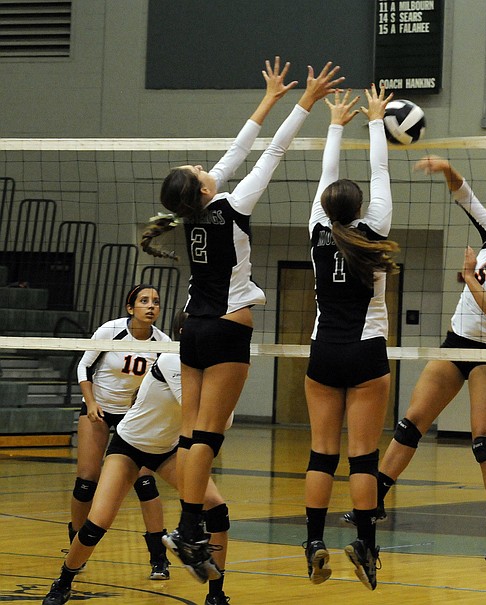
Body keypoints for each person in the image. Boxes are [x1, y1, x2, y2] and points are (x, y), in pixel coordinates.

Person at [142, 57, 343, 581]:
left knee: (191, 433)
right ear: (204, 188)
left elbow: (235, 152)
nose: (205, 166)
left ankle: (188, 528)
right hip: (229, 325)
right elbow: (270, 153)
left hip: (192, 328)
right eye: (199, 169)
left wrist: (271, 98)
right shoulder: (231, 204)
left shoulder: (191, 214)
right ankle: (189, 528)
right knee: (207, 434)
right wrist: (305, 101)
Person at [352, 155, 486, 561]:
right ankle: (377, 498)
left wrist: (470, 275)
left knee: (484, 443)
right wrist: (447, 168)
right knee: (409, 424)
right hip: (456, 343)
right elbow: (465, 197)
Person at [42, 313, 234, 605]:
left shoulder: (212, 370)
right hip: (130, 445)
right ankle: (64, 582)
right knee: (98, 522)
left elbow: (224, 421)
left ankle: (216, 594)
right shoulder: (173, 359)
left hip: (168, 450)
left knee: (216, 508)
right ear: (188, 332)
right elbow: (205, 417)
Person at [302, 85, 396, 591]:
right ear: (360, 208)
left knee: (322, 454)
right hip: (366, 352)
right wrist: (375, 119)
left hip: (324, 351)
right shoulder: (374, 229)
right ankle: (364, 544)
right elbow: (380, 173)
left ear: (326, 206)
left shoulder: (318, 228)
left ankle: (314, 541)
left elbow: (326, 177)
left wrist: (335, 122)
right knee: (363, 457)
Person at [72, 283, 171, 580]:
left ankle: (159, 558)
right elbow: (83, 367)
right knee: (86, 482)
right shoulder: (110, 330)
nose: (151, 306)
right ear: (131, 308)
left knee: (144, 482)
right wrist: (90, 403)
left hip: (134, 418)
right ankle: (75, 543)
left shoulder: (163, 342)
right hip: (98, 410)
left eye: (155, 301)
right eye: (144, 301)